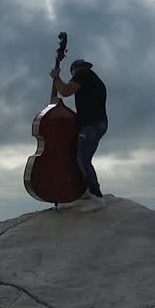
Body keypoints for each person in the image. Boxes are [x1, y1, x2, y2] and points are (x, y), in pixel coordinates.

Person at [51, 58, 108, 204]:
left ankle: (95, 194)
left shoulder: (82, 73)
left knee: (83, 159)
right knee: (83, 158)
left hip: (91, 125)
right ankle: (87, 190)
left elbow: (65, 91)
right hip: (99, 124)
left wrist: (56, 77)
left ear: (74, 70)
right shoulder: (96, 80)